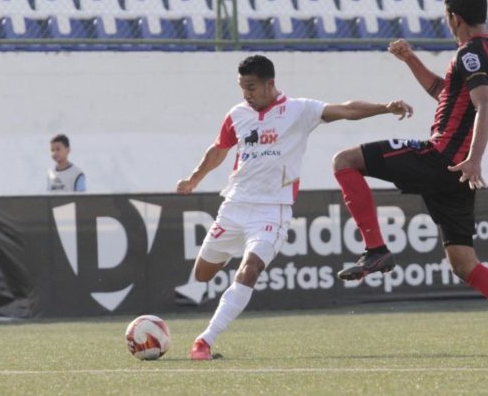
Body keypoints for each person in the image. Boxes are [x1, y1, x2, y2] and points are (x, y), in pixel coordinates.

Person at [332, 0, 488, 363]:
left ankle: (375, 250)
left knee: (344, 161)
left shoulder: (472, 53)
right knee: (464, 264)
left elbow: (485, 107)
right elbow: (446, 93)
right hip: (454, 172)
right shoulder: (484, 52)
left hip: (442, 158)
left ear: (454, 17)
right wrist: (410, 60)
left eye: (446, 16)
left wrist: (474, 158)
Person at [176, 55, 413, 360]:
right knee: (203, 273)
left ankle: (204, 341)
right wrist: (194, 179)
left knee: (250, 270)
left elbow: (345, 109)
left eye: (251, 87)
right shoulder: (237, 114)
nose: (246, 93)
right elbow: (219, 149)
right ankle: (226, 271)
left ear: (269, 83)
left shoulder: (299, 110)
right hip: (234, 207)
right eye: (242, 87)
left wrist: (384, 107)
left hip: (271, 211)